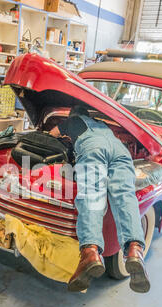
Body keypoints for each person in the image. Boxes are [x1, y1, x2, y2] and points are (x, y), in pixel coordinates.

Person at [49, 105, 150, 294]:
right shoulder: (103, 124)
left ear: (74, 115)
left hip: (93, 148)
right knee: (125, 196)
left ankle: (90, 252)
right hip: (121, 152)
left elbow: (50, 136)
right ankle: (135, 250)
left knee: (92, 194)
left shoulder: (72, 121)